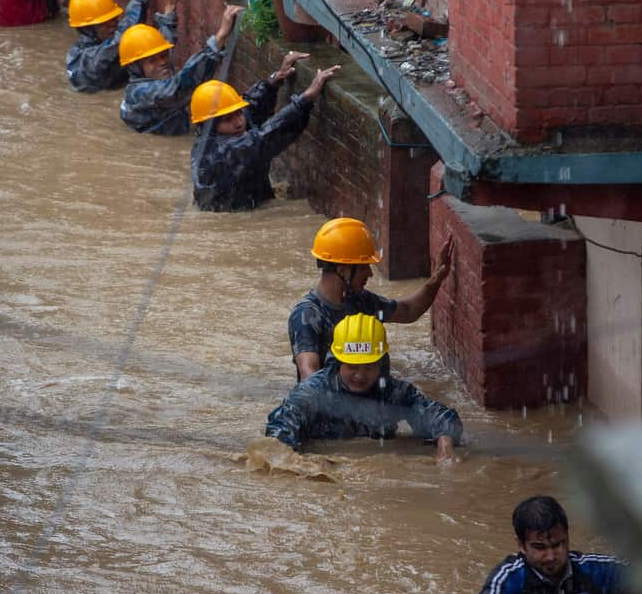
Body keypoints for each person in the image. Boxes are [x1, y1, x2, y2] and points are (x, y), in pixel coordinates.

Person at [265, 313, 462, 461]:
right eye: (352, 366)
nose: (360, 375)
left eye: (369, 367)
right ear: (338, 361)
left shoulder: (393, 392)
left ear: (381, 364)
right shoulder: (312, 392)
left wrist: (445, 445)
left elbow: (441, 417)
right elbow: (278, 437)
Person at [288, 217, 455, 380]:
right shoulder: (307, 316)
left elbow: (409, 311)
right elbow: (309, 375)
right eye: (364, 267)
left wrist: (436, 279)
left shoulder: (360, 300)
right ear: (343, 269)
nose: (369, 274)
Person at [188, 55, 339, 212]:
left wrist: (273, 81)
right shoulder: (219, 152)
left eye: (238, 113)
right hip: (229, 218)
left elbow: (251, 108)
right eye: (228, 119)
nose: (239, 122)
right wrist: (305, 99)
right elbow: (264, 138)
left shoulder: (227, 129)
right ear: (208, 126)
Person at [470, 496, 638, 594]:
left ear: (567, 537)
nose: (550, 556)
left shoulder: (592, 572)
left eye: (557, 544)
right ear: (521, 545)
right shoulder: (512, 577)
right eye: (539, 547)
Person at [118, 4, 243, 135]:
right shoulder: (138, 93)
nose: (163, 62)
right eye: (152, 60)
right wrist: (220, 38)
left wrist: (169, 8)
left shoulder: (155, 74)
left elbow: (165, 41)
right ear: (135, 67)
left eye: (163, 55)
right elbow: (178, 87)